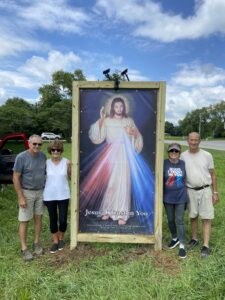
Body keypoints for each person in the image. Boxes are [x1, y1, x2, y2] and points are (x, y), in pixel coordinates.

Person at [180, 132, 219, 257]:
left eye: (196, 140)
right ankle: (194, 239)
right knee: (192, 216)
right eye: (191, 140)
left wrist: (215, 192)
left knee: (206, 217)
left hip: (205, 190)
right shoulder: (183, 156)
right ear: (187, 140)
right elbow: (183, 176)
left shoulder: (207, 155)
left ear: (199, 141)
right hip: (190, 190)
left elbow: (213, 174)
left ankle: (206, 245)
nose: (193, 142)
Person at [13, 134, 46, 261]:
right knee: (24, 220)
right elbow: (15, 177)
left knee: (38, 218)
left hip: (40, 192)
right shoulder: (21, 157)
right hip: (26, 192)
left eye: (39, 144)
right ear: (29, 143)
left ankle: (36, 243)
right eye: (34, 144)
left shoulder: (43, 156)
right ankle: (24, 248)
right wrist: (20, 196)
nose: (37, 146)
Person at [43, 141, 71, 253]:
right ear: (50, 151)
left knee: (63, 220)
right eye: (53, 150)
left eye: (58, 150)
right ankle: (55, 241)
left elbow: (72, 178)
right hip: (49, 195)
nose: (55, 152)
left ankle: (61, 238)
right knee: (53, 219)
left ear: (61, 151)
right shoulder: (46, 163)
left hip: (63, 195)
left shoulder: (67, 162)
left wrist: (70, 168)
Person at [163, 143, 188, 259]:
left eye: (176, 151)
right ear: (168, 152)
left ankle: (182, 245)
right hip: (168, 197)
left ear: (179, 153)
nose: (174, 152)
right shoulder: (164, 163)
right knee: (170, 219)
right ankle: (175, 238)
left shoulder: (183, 163)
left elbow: (185, 179)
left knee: (179, 220)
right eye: (171, 150)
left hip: (181, 197)